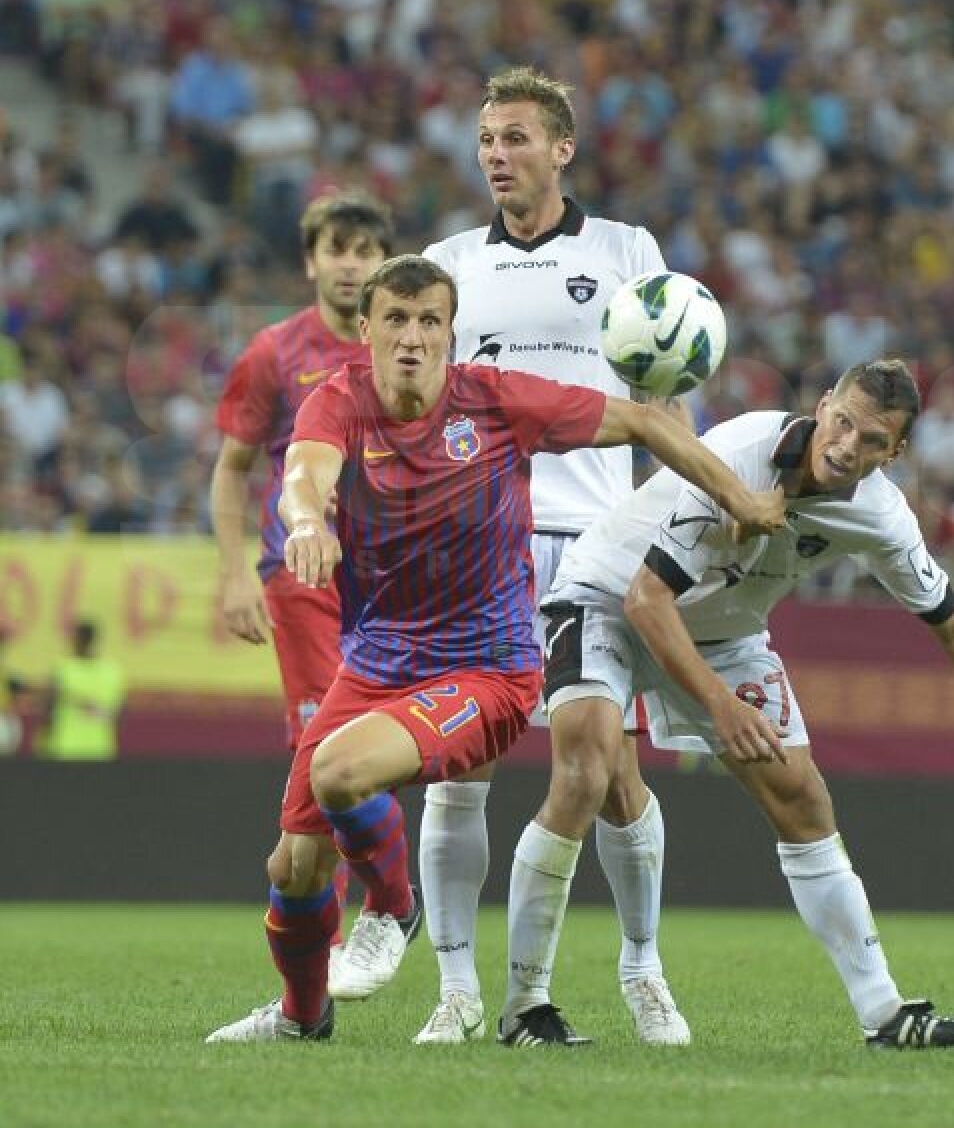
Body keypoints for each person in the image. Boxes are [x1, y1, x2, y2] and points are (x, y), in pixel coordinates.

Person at [205, 255, 782, 1043]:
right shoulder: (338, 400)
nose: (412, 339)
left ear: (451, 332)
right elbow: (304, 473)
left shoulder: (497, 400)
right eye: (397, 321)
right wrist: (306, 522)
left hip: (490, 669)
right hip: (376, 663)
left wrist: (741, 497)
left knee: (341, 773)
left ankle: (392, 906)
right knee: (292, 868)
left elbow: (646, 421)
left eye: (429, 323)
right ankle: (302, 1019)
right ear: (367, 330)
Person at [506, 359, 954, 1049]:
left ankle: (885, 1013)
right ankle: (526, 1007)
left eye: (872, 440)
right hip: (605, 598)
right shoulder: (740, 455)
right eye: (842, 422)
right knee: (586, 771)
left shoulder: (880, 516)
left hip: (726, 633)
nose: (848, 446)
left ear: (895, 453)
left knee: (802, 796)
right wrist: (722, 705)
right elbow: (647, 598)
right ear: (823, 406)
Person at [410, 65, 692, 1045]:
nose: (497, 154)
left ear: (563, 147)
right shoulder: (445, 262)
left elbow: (666, 398)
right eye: (487, 139)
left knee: (610, 770)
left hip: (595, 550)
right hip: (476, 550)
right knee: (457, 766)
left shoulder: (624, 250)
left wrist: (679, 521)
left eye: (517, 137)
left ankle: (642, 963)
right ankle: (455, 987)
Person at [210, 191, 421, 1000]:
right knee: (319, 757)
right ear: (311, 261)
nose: (350, 262)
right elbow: (231, 471)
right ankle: (343, 942)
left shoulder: (409, 351)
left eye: (367, 248)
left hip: (394, 586)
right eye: (337, 246)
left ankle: (380, 919)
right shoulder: (273, 353)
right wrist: (234, 573)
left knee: (366, 765)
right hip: (300, 582)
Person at [38, 622, 126, 761]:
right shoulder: (112, 672)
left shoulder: (63, 669)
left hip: (65, 746)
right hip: (100, 748)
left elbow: (47, 708)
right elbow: (121, 712)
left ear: (79, 640)